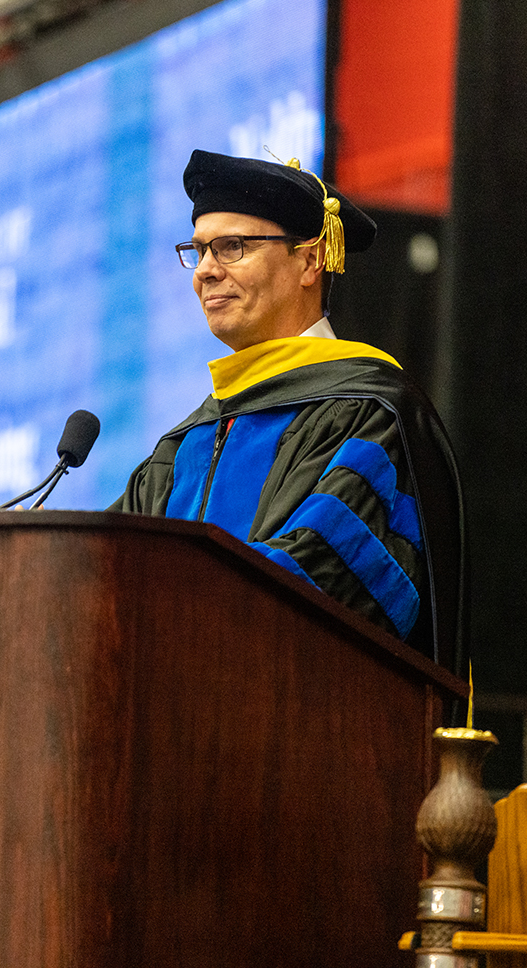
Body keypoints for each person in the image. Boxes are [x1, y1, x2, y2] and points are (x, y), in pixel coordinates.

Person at [112, 149, 465, 671]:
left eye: (232, 247)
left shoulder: (365, 415)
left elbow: (329, 577)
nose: (204, 272)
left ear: (310, 260)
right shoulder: (184, 444)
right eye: (199, 250)